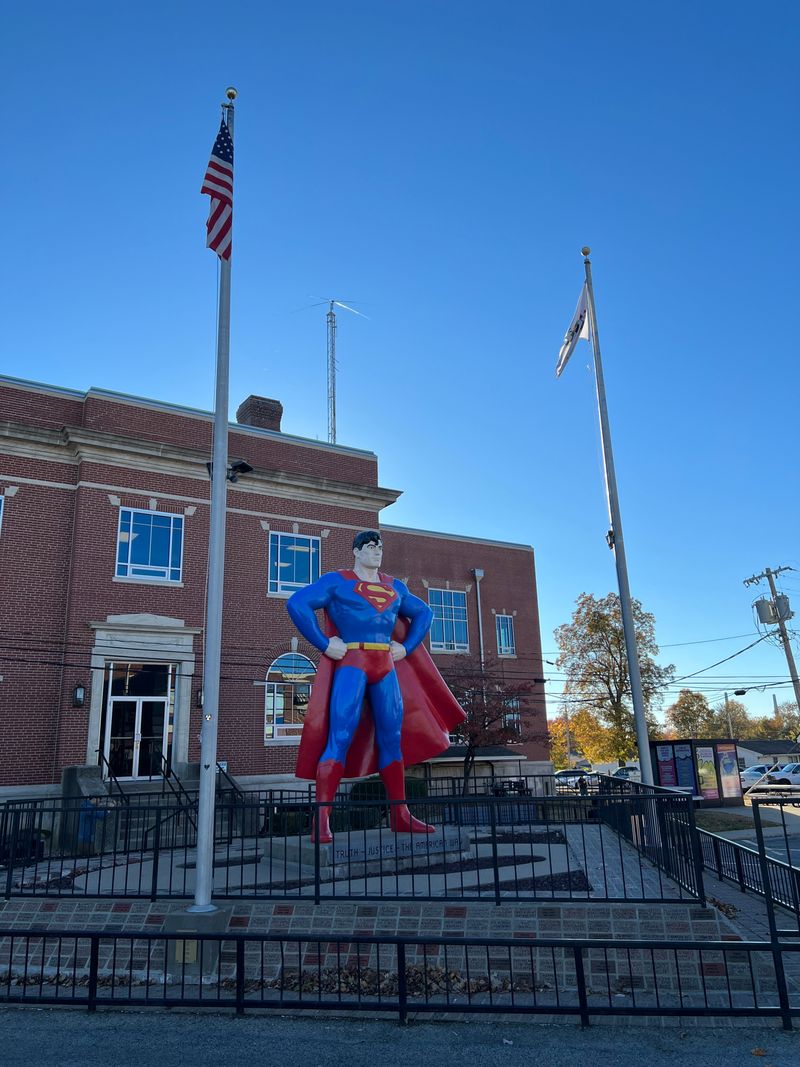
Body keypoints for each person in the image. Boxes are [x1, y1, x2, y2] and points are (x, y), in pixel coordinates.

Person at [286, 530, 465, 842]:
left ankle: (400, 814)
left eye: (379, 547)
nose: (377, 551)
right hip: (352, 664)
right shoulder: (337, 581)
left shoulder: (394, 585)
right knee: (339, 737)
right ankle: (322, 819)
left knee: (391, 740)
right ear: (356, 551)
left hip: (384, 665)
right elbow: (297, 603)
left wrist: (406, 647)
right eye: (370, 546)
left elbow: (424, 612)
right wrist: (324, 643)